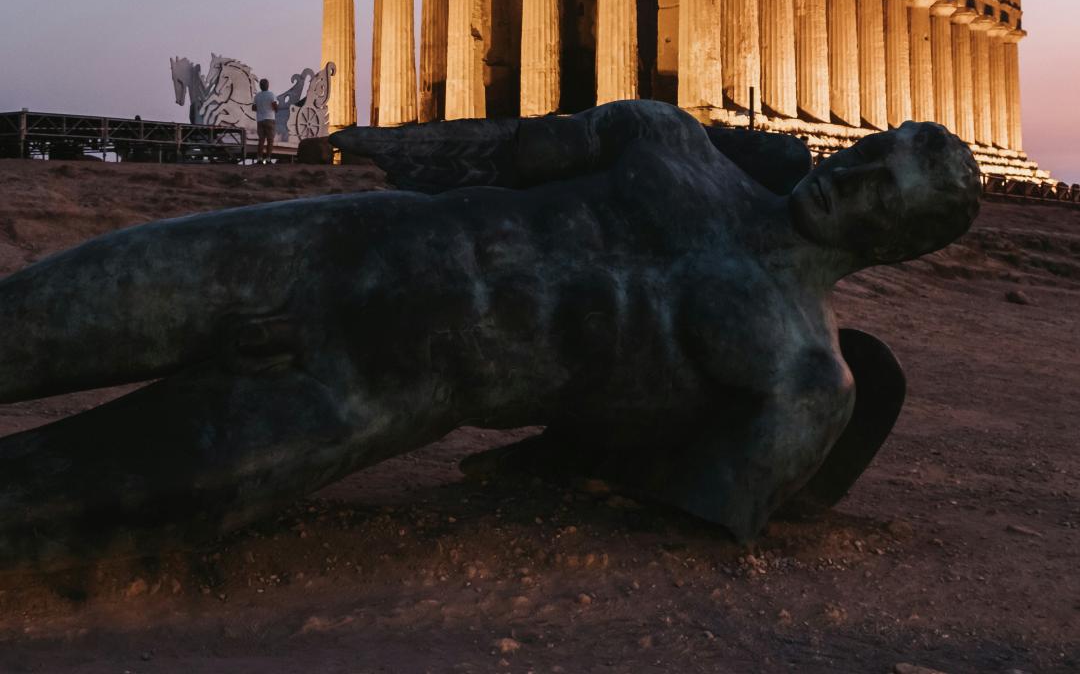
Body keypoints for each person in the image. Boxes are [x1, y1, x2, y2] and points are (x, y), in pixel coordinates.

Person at [0, 101, 981, 567]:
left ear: (899, 245)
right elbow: (506, 147)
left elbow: (689, 499)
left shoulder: (806, 378)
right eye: (868, 154)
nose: (852, 177)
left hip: (367, 392)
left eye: (880, 193)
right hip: (321, 246)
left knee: (50, 498)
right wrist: (395, 149)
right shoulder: (668, 141)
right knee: (27, 322)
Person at [252, 78, 278, 163]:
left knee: (261, 140)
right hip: (269, 119)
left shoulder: (257, 96)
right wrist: (276, 109)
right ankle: (268, 159)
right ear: (267, 85)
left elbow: (253, 108)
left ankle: (259, 159)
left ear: (260, 86)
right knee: (270, 140)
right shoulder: (271, 95)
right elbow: (274, 105)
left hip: (260, 120)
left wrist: (261, 109)